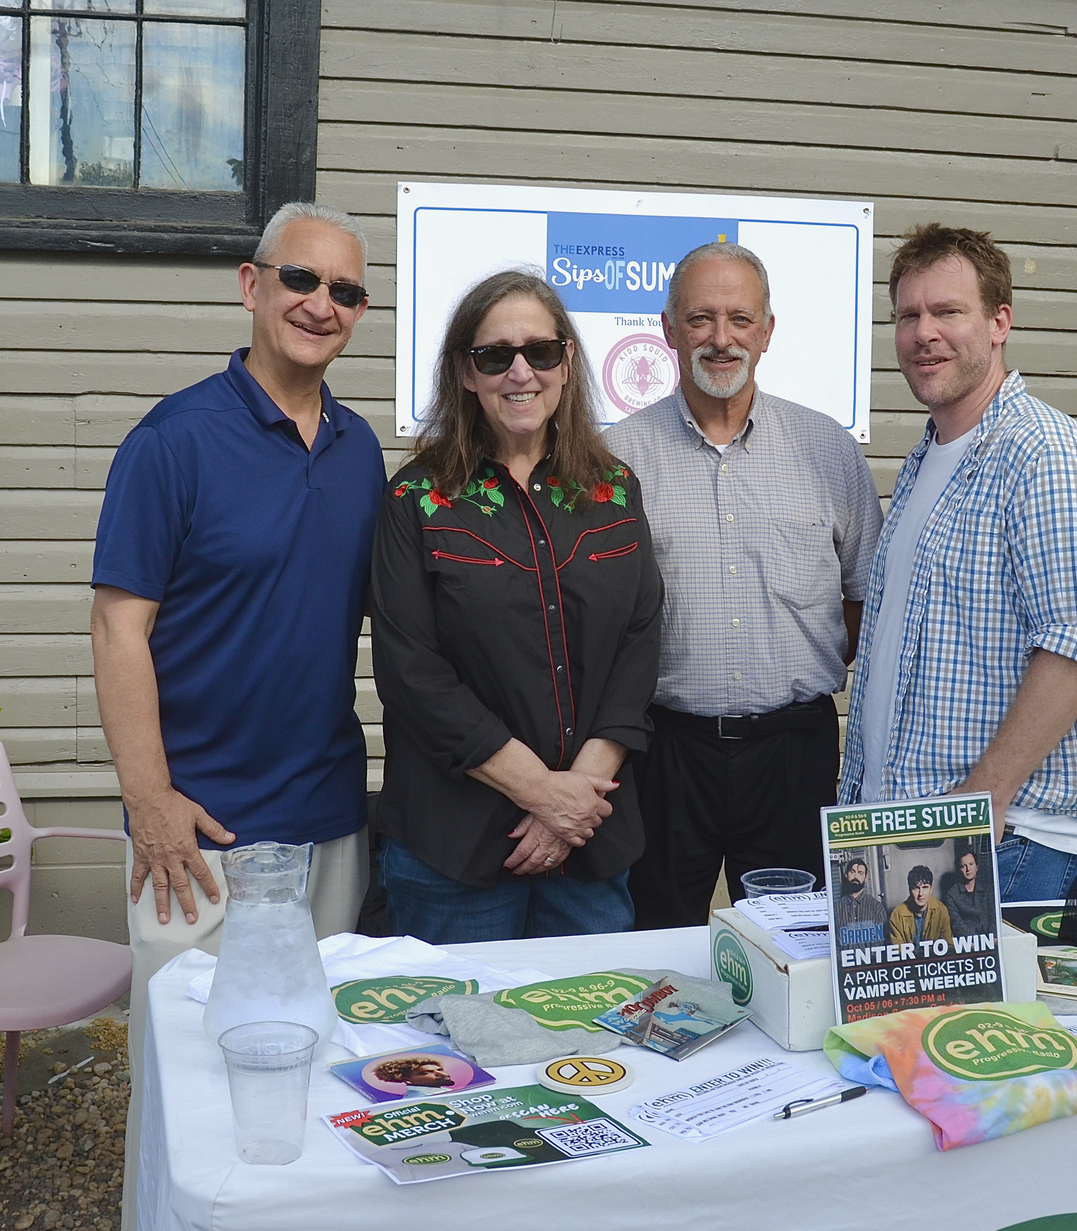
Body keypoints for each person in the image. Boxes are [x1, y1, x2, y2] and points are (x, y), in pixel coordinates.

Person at [90, 201, 384, 1229]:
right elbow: (119, 630)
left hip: (326, 823)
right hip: (198, 837)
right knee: (192, 1099)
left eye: (344, 290)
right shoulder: (173, 441)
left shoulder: (358, 451)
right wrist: (151, 799)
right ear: (251, 285)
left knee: (313, 1087)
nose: (321, 303)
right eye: (300, 279)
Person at [370, 270, 663, 943]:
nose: (520, 371)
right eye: (495, 355)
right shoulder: (415, 498)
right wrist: (542, 793)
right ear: (466, 374)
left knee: (593, 1045)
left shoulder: (614, 489)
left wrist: (574, 801)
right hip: (456, 855)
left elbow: (640, 642)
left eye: (540, 351)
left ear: (567, 363)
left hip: (591, 844)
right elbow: (411, 671)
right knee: (457, 1046)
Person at [841, 223, 1077, 901]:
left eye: (947, 311)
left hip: (1006, 844)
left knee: (990, 1017)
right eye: (908, 314)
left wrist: (981, 804)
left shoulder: (1045, 454)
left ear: (1000, 321)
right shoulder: (929, 456)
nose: (923, 333)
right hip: (915, 834)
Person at [605, 241, 883, 927]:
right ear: (668, 329)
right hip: (665, 755)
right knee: (659, 943)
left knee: (802, 943)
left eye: (739, 318)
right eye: (700, 319)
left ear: (767, 330)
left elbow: (862, 601)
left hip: (795, 754)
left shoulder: (829, 452)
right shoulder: (615, 457)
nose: (720, 338)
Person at [886, 865, 953, 950]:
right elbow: (897, 950)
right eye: (916, 888)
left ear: (931, 889)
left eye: (925, 887)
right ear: (910, 890)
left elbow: (948, 945)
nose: (921, 893)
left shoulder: (941, 910)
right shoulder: (897, 914)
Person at [834, 856, 887, 947]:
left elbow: (880, 943)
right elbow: (835, 943)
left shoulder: (877, 908)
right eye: (852, 872)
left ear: (865, 878)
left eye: (860, 873)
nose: (856, 877)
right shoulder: (836, 908)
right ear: (846, 875)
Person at [944, 845, 995, 937]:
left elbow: (993, 916)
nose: (968, 869)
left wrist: (993, 937)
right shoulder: (951, 895)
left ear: (977, 867)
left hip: (991, 938)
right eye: (963, 866)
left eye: (971, 864)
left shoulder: (987, 888)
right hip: (969, 941)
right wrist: (977, 941)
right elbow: (957, 924)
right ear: (959, 870)